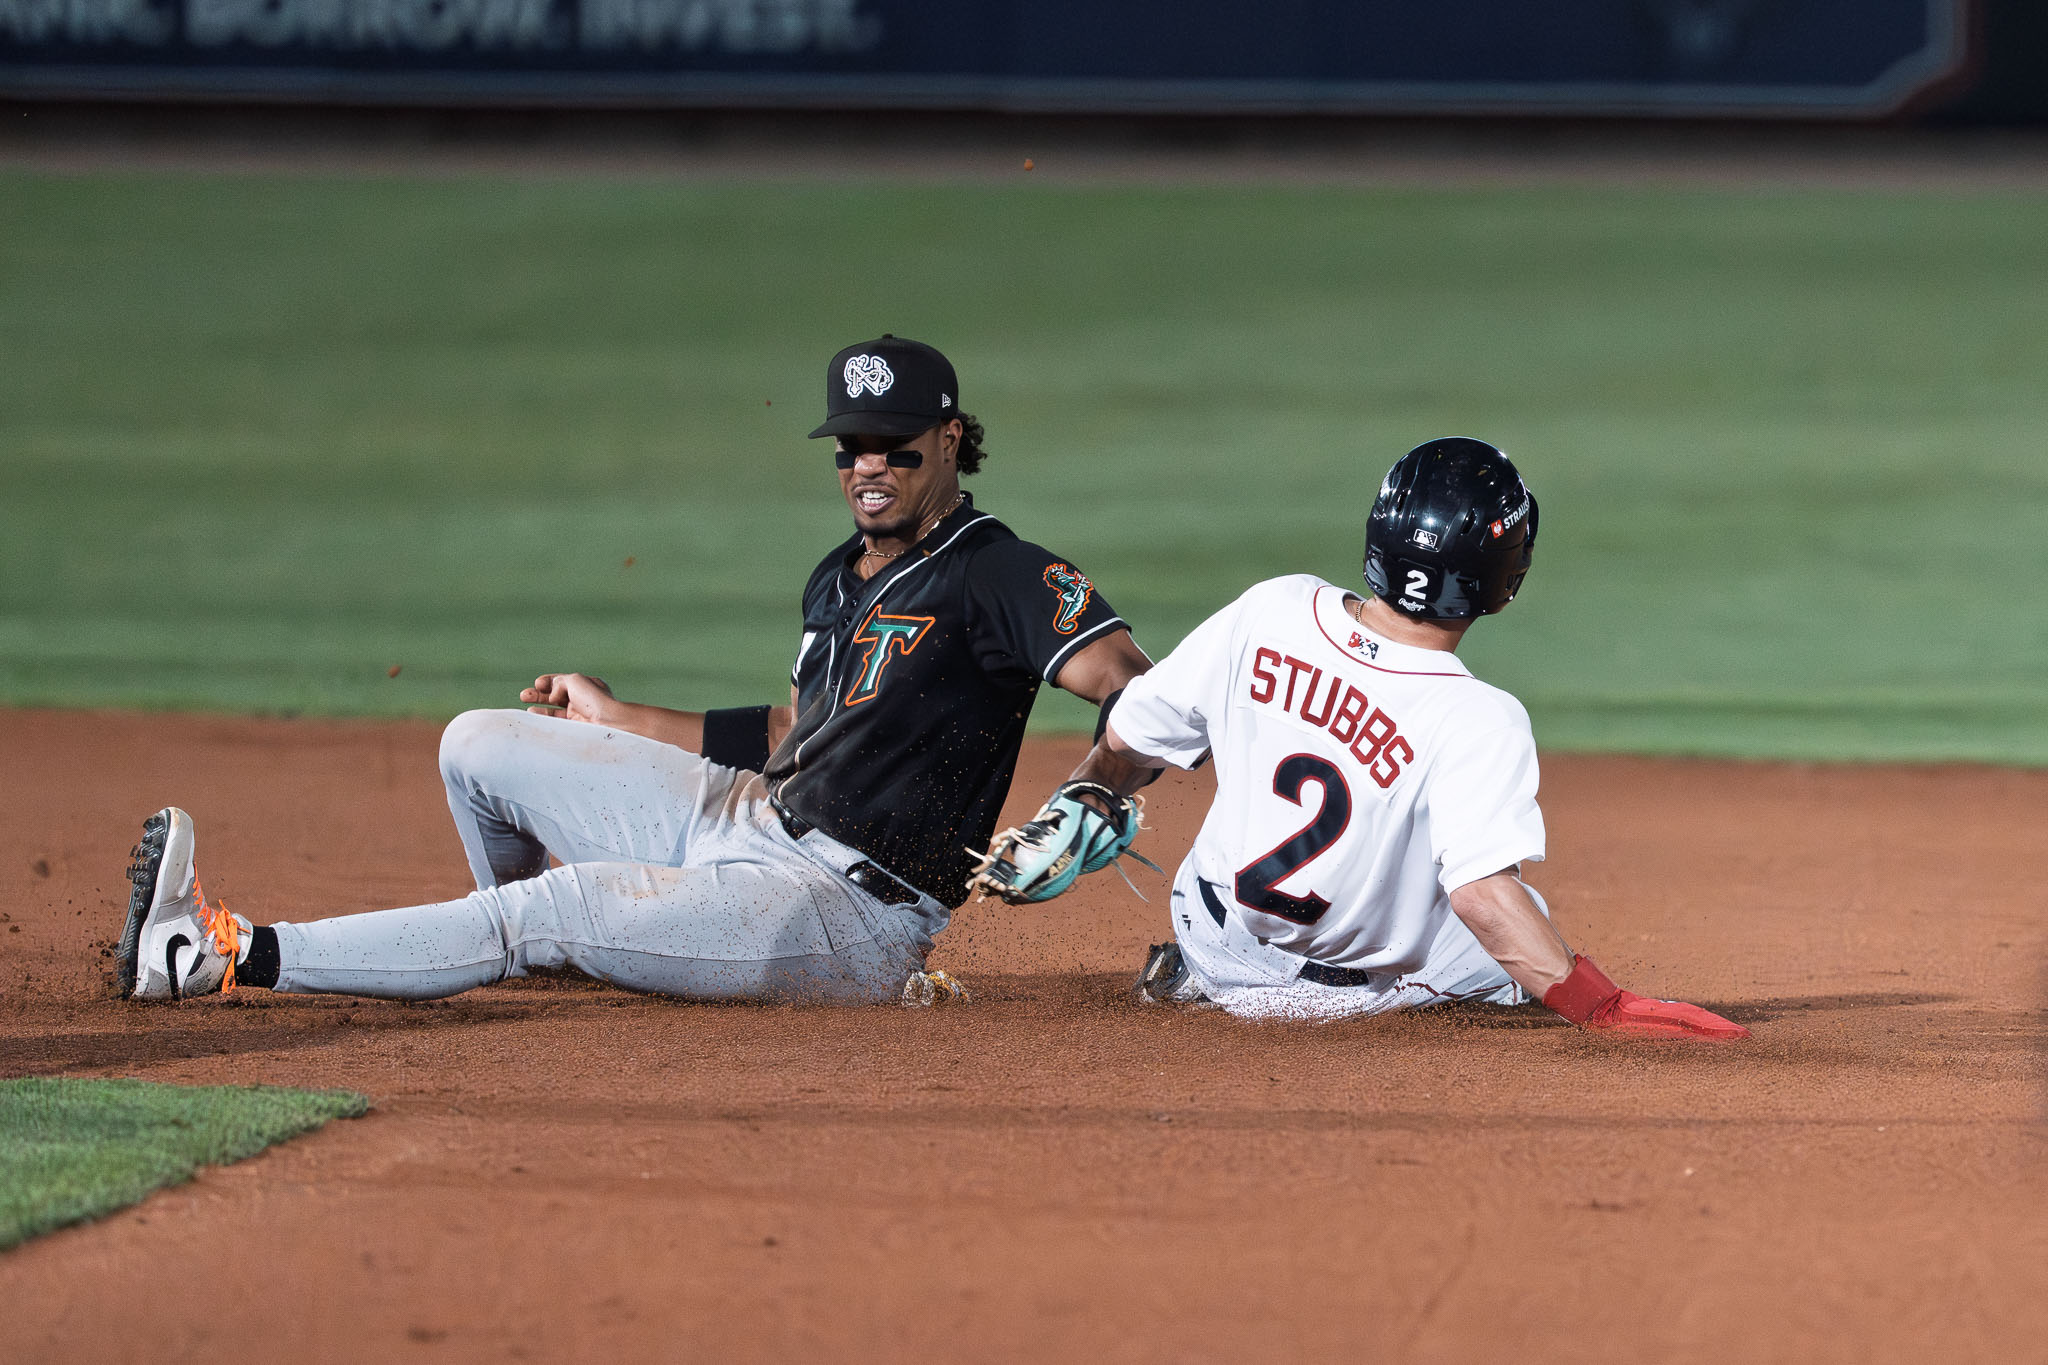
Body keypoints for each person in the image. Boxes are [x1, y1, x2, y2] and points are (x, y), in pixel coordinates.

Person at [116, 335, 1152, 1007]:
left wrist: (1096, 790)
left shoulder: (996, 571)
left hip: (845, 915)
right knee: (475, 744)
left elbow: (1137, 687)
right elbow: (794, 734)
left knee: (546, 908)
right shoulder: (841, 573)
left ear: (952, 440)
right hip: (744, 819)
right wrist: (616, 714)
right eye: (849, 445)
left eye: (895, 444)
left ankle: (216, 954)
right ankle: (544, 960)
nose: (867, 465)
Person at [974, 437, 1747, 1038]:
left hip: (1206, 929)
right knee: (1514, 922)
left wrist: (1083, 794)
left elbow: (1132, 732)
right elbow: (1482, 898)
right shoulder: (1480, 717)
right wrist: (1600, 1005)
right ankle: (1268, 998)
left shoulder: (1273, 608)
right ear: (1504, 578)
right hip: (1329, 1003)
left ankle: (1201, 977)